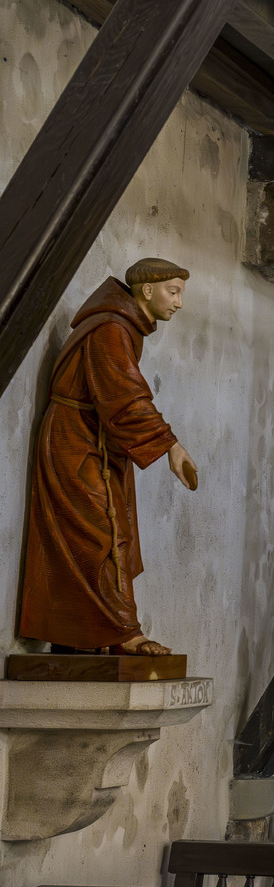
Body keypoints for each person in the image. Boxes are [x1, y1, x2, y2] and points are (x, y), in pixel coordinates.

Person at [17, 258, 198, 657]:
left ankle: (81, 635)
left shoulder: (121, 325)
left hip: (92, 438)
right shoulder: (112, 329)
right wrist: (170, 446)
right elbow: (126, 396)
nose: (179, 303)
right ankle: (120, 632)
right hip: (76, 441)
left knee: (99, 534)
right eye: (174, 291)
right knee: (100, 534)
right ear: (146, 291)